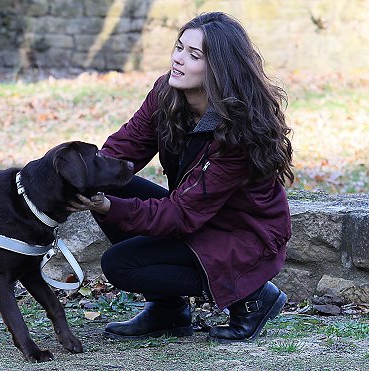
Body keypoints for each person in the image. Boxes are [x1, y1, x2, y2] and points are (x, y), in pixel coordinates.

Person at [69, 11, 294, 343]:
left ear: (218, 68)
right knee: (104, 179)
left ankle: (253, 297)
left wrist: (107, 207)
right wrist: (78, 177)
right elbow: (123, 148)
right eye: (178, 48)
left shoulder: (238, 133)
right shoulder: (167, 93)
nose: (178, 59)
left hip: (241, 234)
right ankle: (168, 311)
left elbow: (180, 215)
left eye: (193, 55)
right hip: (197, 214)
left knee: (120, 265)